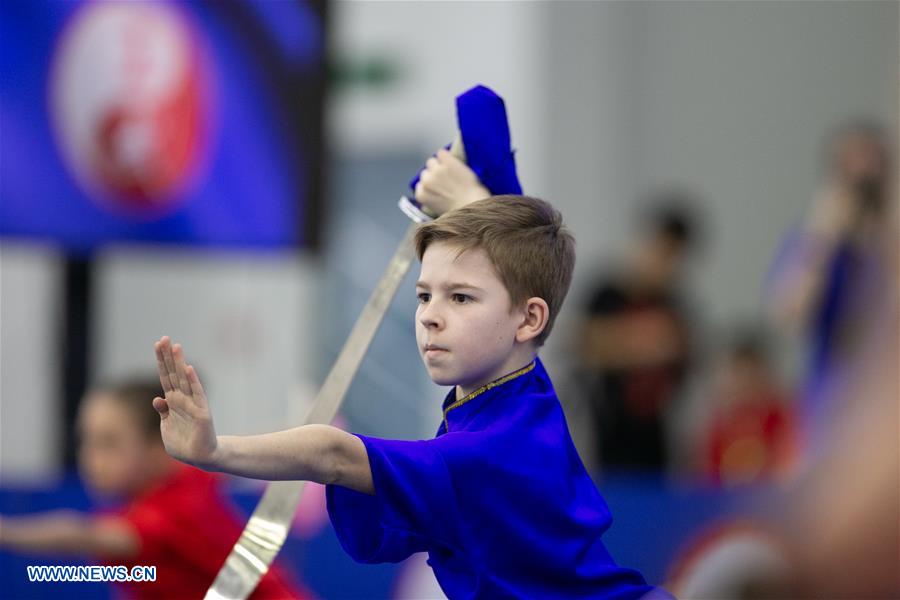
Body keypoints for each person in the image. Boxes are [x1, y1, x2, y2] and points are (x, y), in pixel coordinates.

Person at [151, 190, 668, 598]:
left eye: (460, 297)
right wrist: (468, 185)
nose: (429, 316)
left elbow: (330, 453)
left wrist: (215, 451)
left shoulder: (484, 454)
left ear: (530, 318)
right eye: (424, 294)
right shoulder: (520, 394)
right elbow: (522, 248)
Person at [0, 378, 308, 599]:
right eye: (86, 441)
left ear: (159, 444)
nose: (91, 459)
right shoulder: (192, 477)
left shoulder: (167, 515)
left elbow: (81, 534)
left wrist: (6, 531)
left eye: (109, 443)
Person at [576, 195, 700, 472]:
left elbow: (686, 354)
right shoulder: (606, 294)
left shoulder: (675, 305)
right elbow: (582, 345)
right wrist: (644, 344)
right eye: (662, 252)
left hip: (656, 437)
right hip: (604, 432)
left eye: (675, 257)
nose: (666, 265)